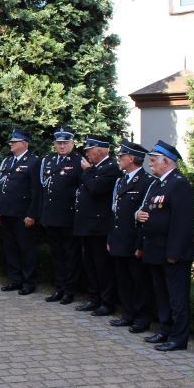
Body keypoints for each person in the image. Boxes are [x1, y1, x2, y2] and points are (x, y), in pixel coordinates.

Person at [136, 140, 194, 352]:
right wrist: (138, 215)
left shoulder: (179, 184)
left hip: (171, 253)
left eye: (153, 160)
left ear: (166, 161)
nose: (150, 164)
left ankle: (178, 338)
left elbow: (182, 223)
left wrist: (174, 253)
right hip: (155, 250)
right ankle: (165, 330)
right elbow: (146, 210)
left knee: (177, 298)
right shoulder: (158, 184)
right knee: (161, 295)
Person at [108, 140, 154, 333]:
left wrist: (140, 245)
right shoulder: (121, 181)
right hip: (119, 238)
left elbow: (144, 217)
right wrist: (110, 238)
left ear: (132, 159)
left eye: (122, 156)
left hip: (134, 240)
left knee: (139, 281)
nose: (119, 159)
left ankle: (142, 319)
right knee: (123, 280)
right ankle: (128, 314)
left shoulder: (148, 182)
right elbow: (114, 212)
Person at [73, 135, 122, 316]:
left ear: (100, 150)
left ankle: (107, 302)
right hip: (87, 225)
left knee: (102, 267)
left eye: (89, 150)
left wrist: (87, 171)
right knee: (90, 265)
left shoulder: (111, 168)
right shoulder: (95, 168)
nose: (87, 154)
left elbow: (96, 188)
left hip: (99, 226)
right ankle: (94, 298)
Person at [39, 126, 83, 305]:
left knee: (70, 255)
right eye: (59, 143)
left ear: (72, 143)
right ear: (54, 144)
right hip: (51, 216)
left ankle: (69, 291)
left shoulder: (79, 162)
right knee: (56, 255)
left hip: (68, 217)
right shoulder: (49, 160)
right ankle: (59, 287)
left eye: (65, 142)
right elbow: (44, 188)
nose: (62, 146)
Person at [0, 129, 41, 295]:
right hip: (7, 212)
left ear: (24, 143)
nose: (11, 144)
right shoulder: (8, 161)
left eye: (14, 142)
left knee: (26, 249)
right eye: (11, 141)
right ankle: (15, 280)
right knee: (10, 248)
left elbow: (36, 191)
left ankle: (29, 282)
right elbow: (2, 187)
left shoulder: (33, 161)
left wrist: (32, 214)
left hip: (23, 214)